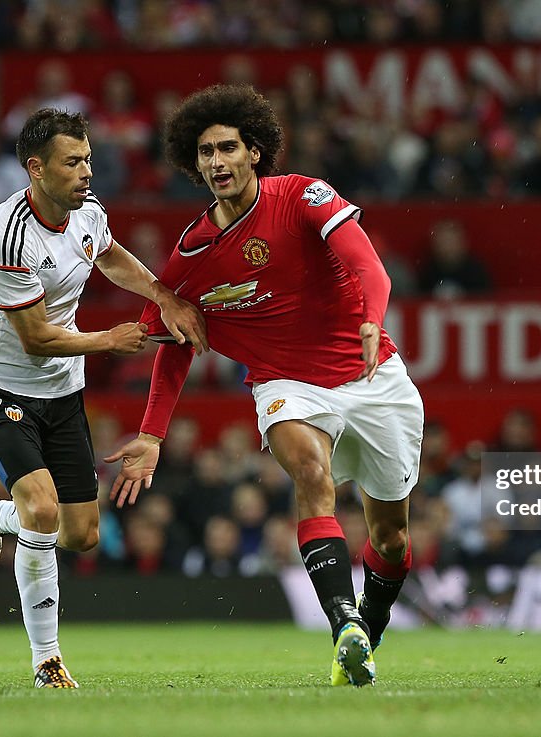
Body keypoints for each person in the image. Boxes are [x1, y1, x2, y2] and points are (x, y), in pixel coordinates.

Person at [104, 84, 423, 687]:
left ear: (255, 152)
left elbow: (367, 266)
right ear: (192, 164)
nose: (217, 162)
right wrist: (151, 434)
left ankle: (367, 638)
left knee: (391, 532)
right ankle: (342, 622)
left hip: (371, 374)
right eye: (205, 153)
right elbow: (172, 345)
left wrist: (372, 321)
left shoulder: (303, 195)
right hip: (285, 384)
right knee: (309, 472)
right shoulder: (191, 256)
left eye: (228, 148)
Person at [0, 108, 207, 689]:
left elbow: (108, 254)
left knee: (81, 532)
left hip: (61, 390)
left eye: (88, 158)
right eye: (73, 161)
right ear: (35, 168)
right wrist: (109, 341)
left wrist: (163, 295)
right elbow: (37, 339)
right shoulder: (9, 232)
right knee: (41, 510)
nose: (87, 170)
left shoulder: (87, 214)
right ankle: (47, 661)